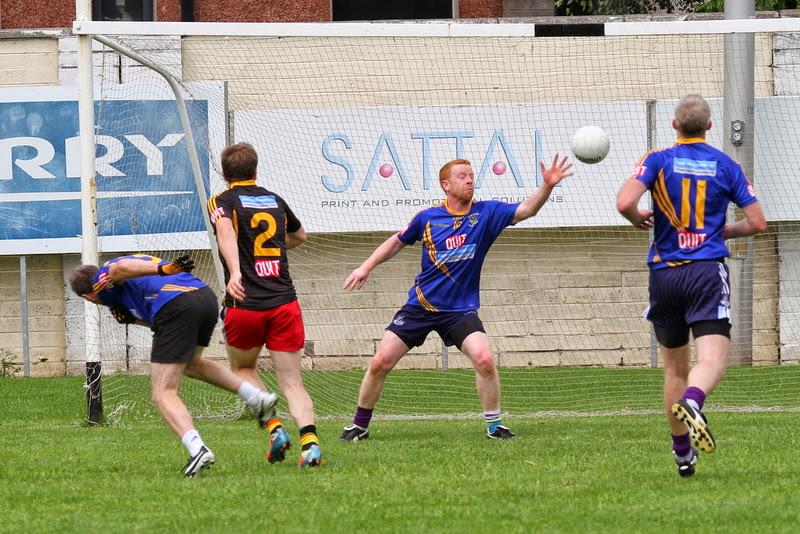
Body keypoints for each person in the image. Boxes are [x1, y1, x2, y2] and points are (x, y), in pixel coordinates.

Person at [339, 155, 573, 441]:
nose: (470, 180)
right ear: (446, 185)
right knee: (380, 363)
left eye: (472, 175)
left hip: (459, 311)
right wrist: (366, 266)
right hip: (420, 307)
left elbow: (526, 210)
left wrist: (547, 186)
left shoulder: (486, 213)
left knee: (484, 360)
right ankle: (359, 426)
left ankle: (494, 426)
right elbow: (397, 241)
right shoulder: (428, 218)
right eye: (462, 176)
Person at [616, 94, 766, 477]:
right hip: (705, 273)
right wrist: (725, 230)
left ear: (674, 125)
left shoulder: (657, 159)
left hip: (664, 274)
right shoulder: (726, 165)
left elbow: (624, 203)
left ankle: (682, 452)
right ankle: (695, 402)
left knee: (674, 371)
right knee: (712, 360)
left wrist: (637, 218)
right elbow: (758, 223)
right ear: (710, 127)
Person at [69, 253, 278, 477]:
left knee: (163, 393)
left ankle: (198, 449)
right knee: (191, 363)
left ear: (88, 297)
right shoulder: (126, 287)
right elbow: (159, 317)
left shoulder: (102, 283)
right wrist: (134, 319)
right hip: (204, 299)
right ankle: (256, 397)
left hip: (175, 305)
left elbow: (120, 268)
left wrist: (164, 269)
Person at [207, 142, 321, 468]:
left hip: (245, 304)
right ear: (256, 171)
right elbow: (300, 236)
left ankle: (275, 429)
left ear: (224, 174)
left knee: (243, 369)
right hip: (284, 303)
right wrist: (271, 248)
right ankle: (310, 444)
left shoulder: (221, 200)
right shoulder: (274, 199)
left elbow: (225, 233)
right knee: (292, 383)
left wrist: (236, 271)